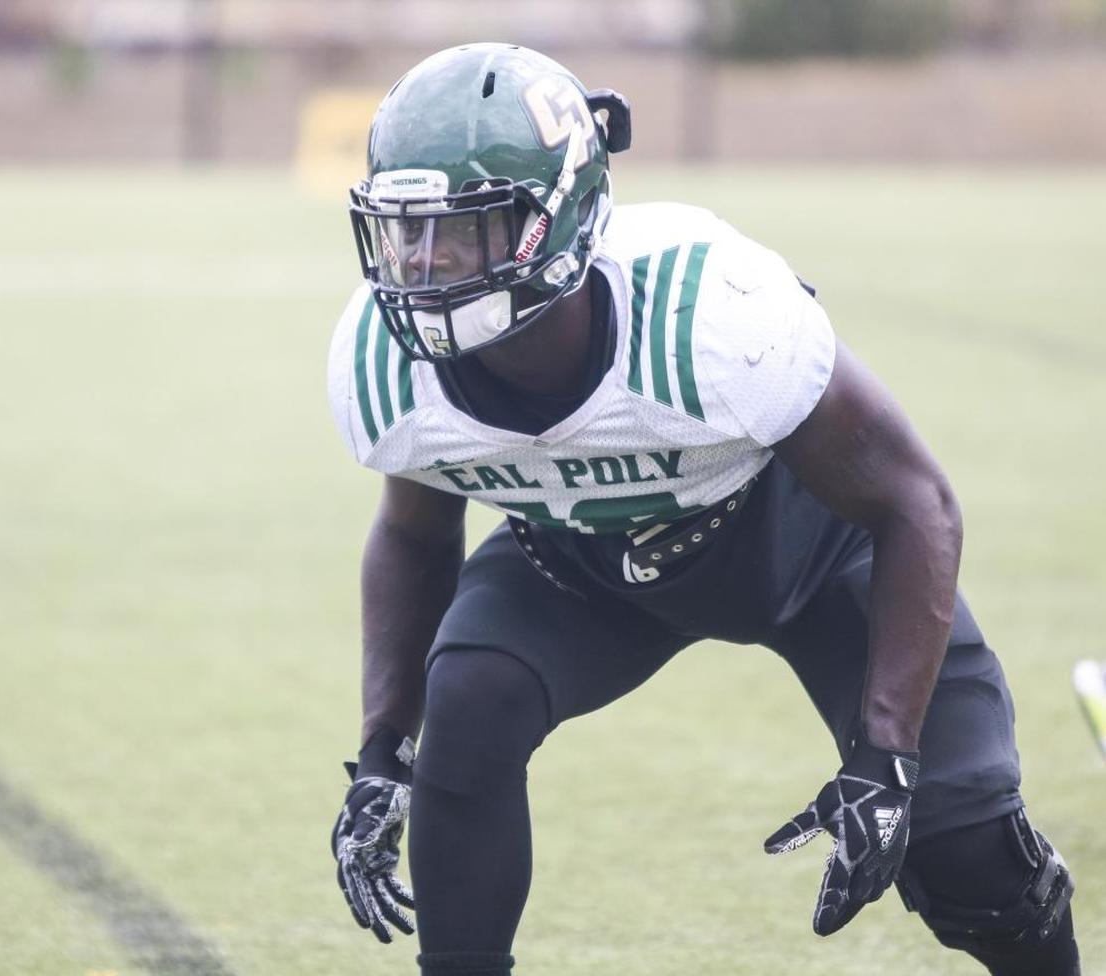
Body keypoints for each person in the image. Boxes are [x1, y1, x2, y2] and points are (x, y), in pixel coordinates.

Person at [327, 43, 1080, 976]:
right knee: (470, 699)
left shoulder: (708, 315)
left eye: (467, 230)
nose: (427, 264)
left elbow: (916, 504)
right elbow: (414, 531)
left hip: (801, 546)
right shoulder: (385, 359)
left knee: (961, 838)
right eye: (408, 230)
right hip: (579, 560)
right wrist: (381, 752)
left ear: (553, 223)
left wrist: (885, 758)